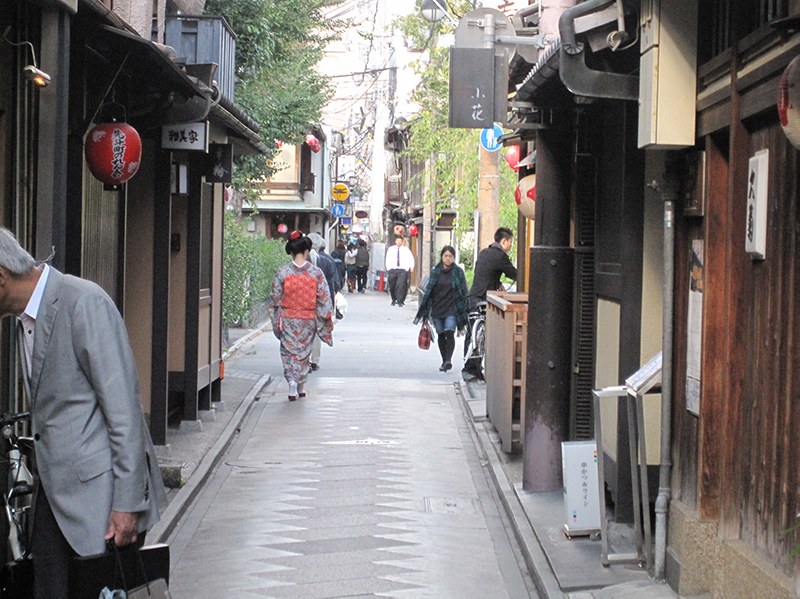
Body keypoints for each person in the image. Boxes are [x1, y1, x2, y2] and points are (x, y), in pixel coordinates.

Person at [0, 227, 167, 598]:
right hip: (53, 496)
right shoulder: (25, 321)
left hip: (101, 499)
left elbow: (124, 409)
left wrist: (127, 505)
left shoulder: (83, 302)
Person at [270, 231, 334, 400]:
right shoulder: (316, 273)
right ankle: (301, 384)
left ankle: (292, 382)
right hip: (308, 318)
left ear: (291, 251)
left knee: (289, 351)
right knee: (304, 352)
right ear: (307, 251)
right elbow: (323, 298)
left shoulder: (283, 272)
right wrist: (325, 317)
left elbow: (275, 297)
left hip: (288, 317)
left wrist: (278, 316)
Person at [462, 227, 518, 381]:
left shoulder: (484, 253)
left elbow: (484, 273)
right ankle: (472, 368)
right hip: (482, 299)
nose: (511, 245)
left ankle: (469, 368)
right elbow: (514, 274)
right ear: (504, 241)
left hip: (472, 296)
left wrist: (497, 282)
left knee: (472, 333)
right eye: (511, 242)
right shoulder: (500, 256)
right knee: (483, 334)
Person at [414, 246, 469, 372]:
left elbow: (464, 289)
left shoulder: (458, 272)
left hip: (452, 307)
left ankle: (449, 360)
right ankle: (444, 360)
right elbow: (429, 291)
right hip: (437, 307)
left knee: (449, 331)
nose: (448, 258)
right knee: (441, 334)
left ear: (454, 258)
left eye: (450, 256)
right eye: (446, 256)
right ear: (442, 257)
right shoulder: (435, 271)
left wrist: (466, 303)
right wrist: (426, 310)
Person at [308, 233, 340, 372]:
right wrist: (331, 305)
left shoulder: (301, 261)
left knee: (303, 331)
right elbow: (332, 285)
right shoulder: (327, 261)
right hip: (320, 302)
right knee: (316, 330)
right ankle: (314, 360)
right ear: (321, 245)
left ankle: (304, 359)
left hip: (302, 301)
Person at [384, 235, 415, 307]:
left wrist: (411, 267)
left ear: (402, 242)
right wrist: (388, 267)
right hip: (393, 269)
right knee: (392, 285)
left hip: (402, 269)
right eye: (397, 241)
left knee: (401, 285)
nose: (399, 242)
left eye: (400, 241)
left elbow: (410, 258)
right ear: (395, 241)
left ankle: (400, 301)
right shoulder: (391, 249)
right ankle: (393, 299)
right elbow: (388, 258)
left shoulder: (406, 250)